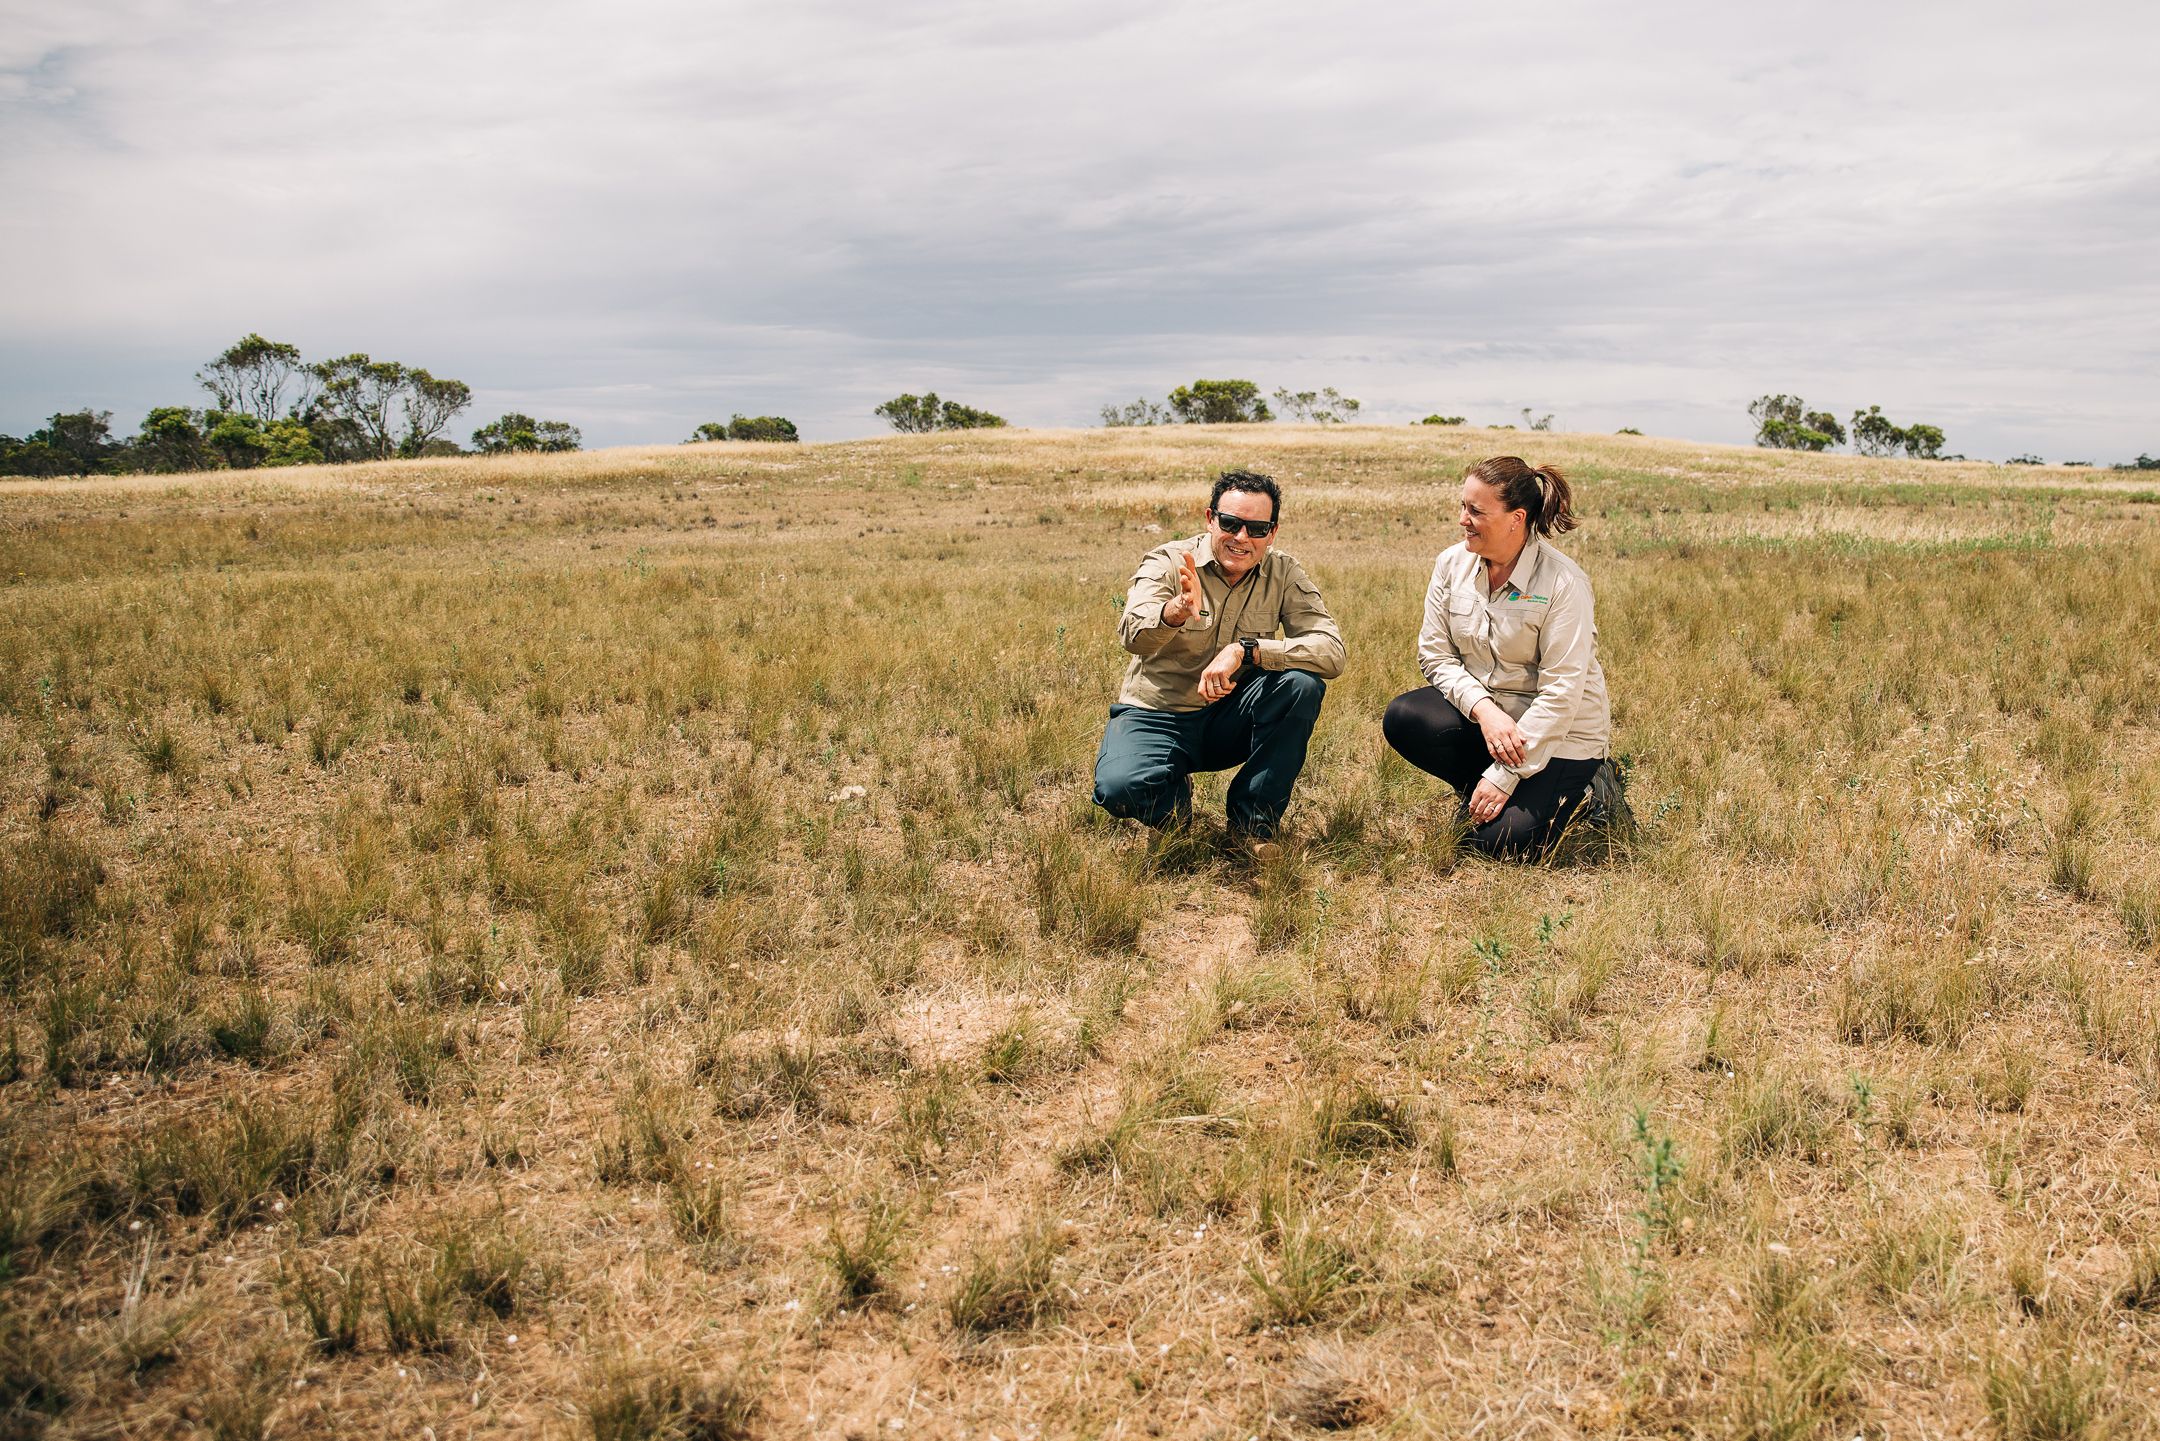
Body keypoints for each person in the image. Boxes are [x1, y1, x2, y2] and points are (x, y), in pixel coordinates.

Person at [1381, 456, 1623, 857]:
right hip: (1495, 722)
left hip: (1560, 736)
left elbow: (1562, 693)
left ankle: (1591, 788)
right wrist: (1485, 711)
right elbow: (1435, 654)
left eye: (1476, 510)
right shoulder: (1450, 564)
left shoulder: (1563, 582)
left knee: (1495, 845)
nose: (1462, 519)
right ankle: (1481, 792)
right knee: (1404, 717)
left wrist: (1505, 776)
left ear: (1517, 519)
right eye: (1463, 506)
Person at [1093, 469, 1344, 850]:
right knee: (1118, 788)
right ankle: (1171, 804)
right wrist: (1175, 611)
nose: (1242, 538)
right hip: (1158, 714)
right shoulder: (1170, 561)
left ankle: (1252, 826)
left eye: (1257, 528)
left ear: (1272, 533)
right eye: (1231, 523)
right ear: (1210, 519)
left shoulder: (1283, 572)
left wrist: (1248, 650)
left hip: (1231, 716)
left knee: (1301, 686)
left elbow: (1331, 651)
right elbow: (1132, 636)